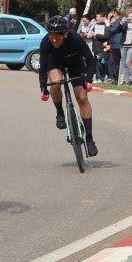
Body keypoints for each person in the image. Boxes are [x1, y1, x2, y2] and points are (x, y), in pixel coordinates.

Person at [38, 14, 98, 157]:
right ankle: (60, 113)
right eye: (51, 36)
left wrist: (88, 80)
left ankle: (89, 139)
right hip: (55, 63)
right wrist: (43, 88)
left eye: (57, 37)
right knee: (56, 82)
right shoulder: (45, 42)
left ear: (65, 35)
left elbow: (90, 60)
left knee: (82, 98)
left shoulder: (76, 39)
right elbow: (43, 67)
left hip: (75, 63)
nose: (54, 40)